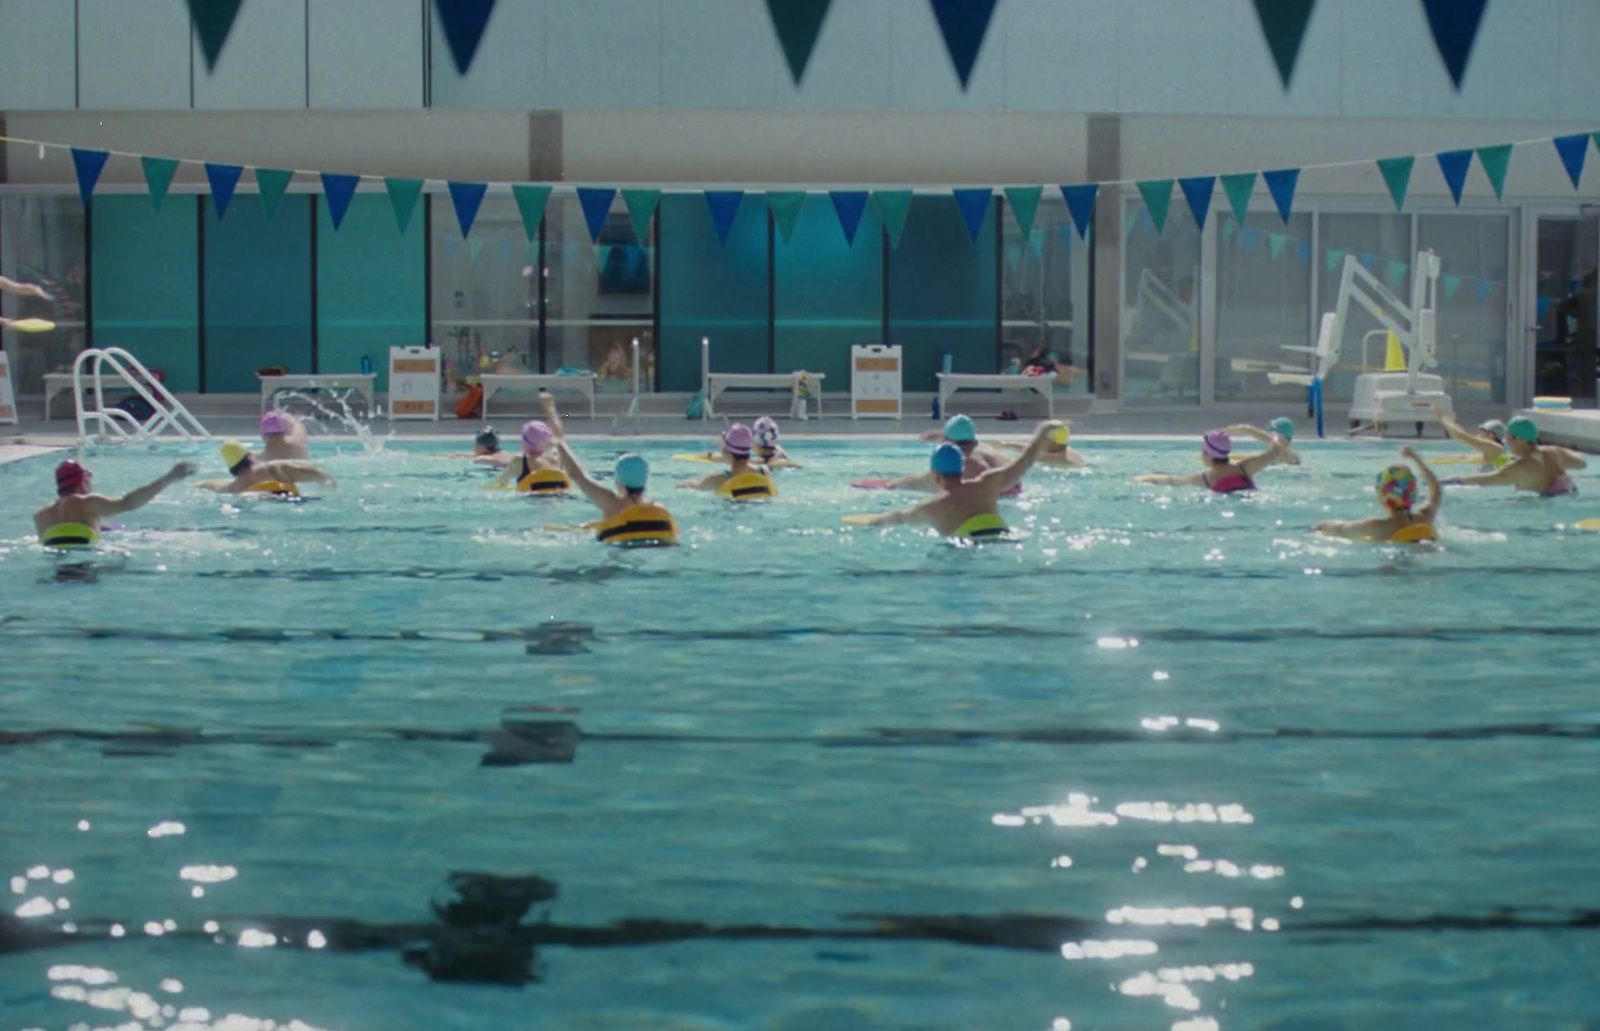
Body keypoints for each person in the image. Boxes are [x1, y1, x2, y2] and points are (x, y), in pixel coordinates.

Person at [847, 420, 1064, 539]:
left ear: (935, 475)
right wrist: (1042, 432)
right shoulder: (986, 484)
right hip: (1002, 535)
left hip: (967, 545)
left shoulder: (932, 506)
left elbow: (898, 518)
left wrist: (873, 521)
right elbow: (1023, 463)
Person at [35, 458, 194, 548]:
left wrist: (105, 528)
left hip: (58, 571)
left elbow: (68, 536)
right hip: (88, 566)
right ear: (83, 482)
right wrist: (169, 478)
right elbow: (129, 503)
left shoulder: (41, 516)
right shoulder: (86, 502)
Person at [553, 443, 678, 547]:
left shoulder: (612, 504)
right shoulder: (659, 509)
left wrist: (559, 443)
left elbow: (577, 476)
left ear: (618, 483)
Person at [1314, 447, 1443, 543]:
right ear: (1413, 493)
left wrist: (1320, 525)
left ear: (1383, 496)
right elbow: (1436, 489)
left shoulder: (1377, 526)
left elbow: (1340, 529)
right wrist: (1416, 459)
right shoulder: (1425, 518)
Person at [1438, 416, 1585, 495]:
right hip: (1569, 494)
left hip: (1546, 507)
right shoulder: (1554, 452)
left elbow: (1484, 480)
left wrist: (1443, 481)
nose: (1506, 443)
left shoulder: (1520, 467)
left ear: (1519, 439)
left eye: (1508, 439)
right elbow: (1582, 463)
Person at [1134, 428, 1286, 493]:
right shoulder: (1246, 467)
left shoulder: (1206, 478)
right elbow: (1276, 449)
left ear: (1209, 456)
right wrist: (1265, 435)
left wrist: (1144, 478)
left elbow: (1172, 480)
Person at [899, 414, 1007, 489]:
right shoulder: (985, 447)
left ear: (947, 441)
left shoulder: (962, 460)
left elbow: (923, 480)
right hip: (1014, 486)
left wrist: (890, 485)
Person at [201, 441, 335, 498]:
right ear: (251, 458)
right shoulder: (270, 469)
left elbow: (210, 484)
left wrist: (201, 484)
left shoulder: (234, 487)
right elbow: (315, 473)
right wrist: (326, 481)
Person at [679, 424, 776, 499]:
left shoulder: (718, 479)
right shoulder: (764, 472)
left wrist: (683, 484)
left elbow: (691, 485)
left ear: (727, 452)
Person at [494, 403, 570, 493]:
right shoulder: (557, 457)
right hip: (560, 499)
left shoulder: (520, 460)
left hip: (532, 500)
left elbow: (501, 484)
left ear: (525, 442)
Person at [1429, 405, 1511, 468]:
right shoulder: (1493, 453)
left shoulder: (1496, 450)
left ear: (1491, 436)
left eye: (1482, 432)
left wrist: (1442, 417)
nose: (1478, 435)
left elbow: (1461, 436)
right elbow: (1465, 457)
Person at [994, 422, 1085, 468]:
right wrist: (1009, 445)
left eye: (1043, 439)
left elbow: (1027, 456)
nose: (1039, 442)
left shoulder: (1053, 458)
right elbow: (1031, 449)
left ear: (1055, 443)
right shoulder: (1068, 450)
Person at [1224, 419, 1300, 467]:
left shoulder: (1291, 458)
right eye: (1269, 433)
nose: (1270, 436)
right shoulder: (1271, 457)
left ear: (1286, 439)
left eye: (1274, 435)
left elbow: (1252, 431)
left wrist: (1251, 431)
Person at [444, 426, 512, 469]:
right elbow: (473, 455)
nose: (473, 446)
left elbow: (469, 461)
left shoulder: (483, 459)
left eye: (475, 444)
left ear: (482, 446)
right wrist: (456, 455)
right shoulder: (503, 453)